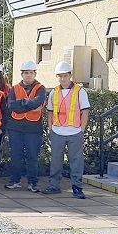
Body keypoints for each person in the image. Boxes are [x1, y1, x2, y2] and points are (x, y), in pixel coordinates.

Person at [43, 61, 90, 199]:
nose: (62, 79)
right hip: (58, 131)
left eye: (65, 76)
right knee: (56, 161)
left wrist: (82, 129)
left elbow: (85, 111)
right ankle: (54, 186)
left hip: (75, 132)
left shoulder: (80, 91)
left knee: (76, 161)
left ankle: (77, 188)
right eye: (60, 76)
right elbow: (50, 111)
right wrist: (51, 128)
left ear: (70, 75)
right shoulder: (54, 92)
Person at [5, 60, 47, 192]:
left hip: (33, 128)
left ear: (35, 73)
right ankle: (15, 180)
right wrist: (28, 105)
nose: (28, 75)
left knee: (32, 156)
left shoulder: (40, 88)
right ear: (21, 74)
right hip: (15, 127)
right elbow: (11, 105)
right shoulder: (14, 88)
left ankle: (33, 183)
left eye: (31, 73)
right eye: (26, 73)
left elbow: (37, 103)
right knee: (16, 155)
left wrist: (20, 105)